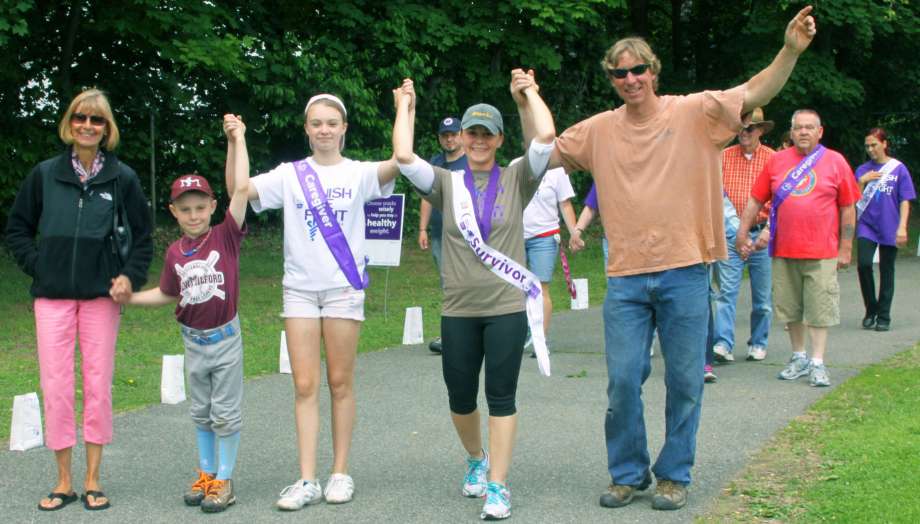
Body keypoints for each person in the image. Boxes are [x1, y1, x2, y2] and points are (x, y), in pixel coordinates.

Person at [548, 7, 818, 511]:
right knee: (624, 380)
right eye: (619, 73)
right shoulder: (600, 129)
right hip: (626, 275)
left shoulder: (695, 111)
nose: (630, 79)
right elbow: (543, 151)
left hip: (686, 268)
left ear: (653, 71)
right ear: (612, 79)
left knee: (686, 379)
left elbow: (756, 91)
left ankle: (674, 474)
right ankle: (629, 473)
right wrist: (528, 99)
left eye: (637, 70)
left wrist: (791, 50)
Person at [393, 71, 555, 520]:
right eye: (472, 133)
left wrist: (528, 93)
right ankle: (476, 459)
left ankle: (498, 486)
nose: (479, 140)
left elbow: (545, 136)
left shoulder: (518, 177)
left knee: (501, 396)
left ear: (499, 138)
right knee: (460, 398)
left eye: (487, 133)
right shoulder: (447, 182)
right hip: (459, 310)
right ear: (461, 138)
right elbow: (403, 156)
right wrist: (405, 106)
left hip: (505, 308)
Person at [245, 93, 401, 509]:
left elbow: (401, 158)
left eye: (332, 122)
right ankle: (307, 478)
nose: (325, 129)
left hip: (343, 289)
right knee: (304, 384)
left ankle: (340, 472)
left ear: (344, 128)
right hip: (299, 289)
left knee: (340, 382)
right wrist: (236, 141)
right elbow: (239, 189)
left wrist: (405, 107)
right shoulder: (291, 174)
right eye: (317, 123)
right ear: (307, 129)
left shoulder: (360, 173)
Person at [5, 88, 153, 511]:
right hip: (51, 298)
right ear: (69, 123)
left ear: (107, 129)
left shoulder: (121, 178)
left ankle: (92, 478)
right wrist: (40, 266)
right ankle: (63, 480)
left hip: (100, 299)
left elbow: (142, 239)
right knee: (55, 387)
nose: (88, 126)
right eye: (80, 118)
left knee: (98, 386)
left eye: (97, 120)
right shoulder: (45, 174)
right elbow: (17, 229)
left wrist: (128, 276)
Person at [127, 115, 250, 512]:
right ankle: (206, 473)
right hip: (193, 342)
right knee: (201, 412)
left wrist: (237, 139)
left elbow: (243, 188)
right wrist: (127, 299)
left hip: (225, 340)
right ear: (173, 212)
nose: (194, 215)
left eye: (201, 207)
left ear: (213, 206)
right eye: (186, 209)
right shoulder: (174, 253)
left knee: (226, 413)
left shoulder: (225, 236)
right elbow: (166, 294)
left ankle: (225, 480)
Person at [737, 109, 861, 388]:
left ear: (820, 132)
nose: (803, 132)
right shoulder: (777, 162)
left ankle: (817, 362)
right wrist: (741, 234)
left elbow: (848, 207)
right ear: (791, 132)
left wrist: (846, 247)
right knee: (790, 309)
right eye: (798, 128)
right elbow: (756, 201)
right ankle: (798, 356)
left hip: (822, 250)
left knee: (820, 308)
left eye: (809, 127)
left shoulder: (835, 162)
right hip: (784, 249)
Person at [712, 108, 776, 363]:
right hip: (730, 232)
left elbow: (779, 198)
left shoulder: (773, 158)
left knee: (762, 296)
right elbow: (717, 195)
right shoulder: (724, 156)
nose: (743, 133)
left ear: (760, 130)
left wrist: (769, 230)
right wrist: (736, 230)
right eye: (739, 128)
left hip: (762, 234)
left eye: (749, 129)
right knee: (726, 292)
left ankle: (758, 342)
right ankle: (723, 343)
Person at [853, 127, 914, 331]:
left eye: (874, 145)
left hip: (890, 224)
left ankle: (884, 316)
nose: (870, 149)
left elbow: (905, 200)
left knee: (887, 270)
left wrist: (903, 227)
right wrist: (862, 181)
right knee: (863, 264)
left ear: (884, 144)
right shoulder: (863, 170)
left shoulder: (898, 169)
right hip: (867, 225)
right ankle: (871, 309)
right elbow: (854, 200)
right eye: (867, 146)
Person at [420, 116, 468, 353]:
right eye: (445, 135)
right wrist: (422, 228)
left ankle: (472, 331)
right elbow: (427, 196)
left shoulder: (472, 161)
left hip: (468, 235)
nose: (449, 139)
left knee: (468, 281)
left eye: (453, 134)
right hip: (440, 233)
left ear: (462, 135)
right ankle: (452, 334)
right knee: (448, 284)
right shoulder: (436, 162)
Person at [523, 166, 577, 355]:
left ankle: (540, 341)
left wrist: (574, 233)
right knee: (513, 287)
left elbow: (565, 204)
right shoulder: (516, 164)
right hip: (515, 235)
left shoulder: (557, 171)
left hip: (544, 235)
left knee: (540, 288)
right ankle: (518, 335)